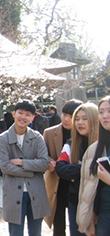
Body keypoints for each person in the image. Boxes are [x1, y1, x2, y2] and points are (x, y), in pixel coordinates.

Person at [0, 99, 50, 236]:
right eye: (20, 113)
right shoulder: (3, 138)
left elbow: (44, 163)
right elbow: (5, 167)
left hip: (36, 193)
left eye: (28, 114)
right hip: (13, 192)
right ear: (14, 113)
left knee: (35, 233)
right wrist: (32, 170)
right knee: (15, 233)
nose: (23, 117)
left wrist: (21, 163)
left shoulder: (37, 137)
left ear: (32, 117)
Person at [55, 103, 99, 236]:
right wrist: (86, 169)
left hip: (99, 203)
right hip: (76, 201)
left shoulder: (103, 143)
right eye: (77, 119)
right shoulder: (71, 143)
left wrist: (76, 171)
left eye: (85, 119)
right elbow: (61, 168)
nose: (80, 122)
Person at [43, 98, 83, 236]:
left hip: (77, 183)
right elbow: (43, 154)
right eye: (65, 115)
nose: (66, 119)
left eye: (71, 117)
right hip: (57, 182)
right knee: (58, 222)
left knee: (78, 222)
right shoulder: (49, 133)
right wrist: (49, 161)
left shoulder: (83, 133)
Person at [77, 96, 110, 236]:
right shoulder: (94, 149)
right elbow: (85, 189)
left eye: (109, 111)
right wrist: (88, 219)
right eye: (101, 112)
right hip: (104, 213)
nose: (105, 116)